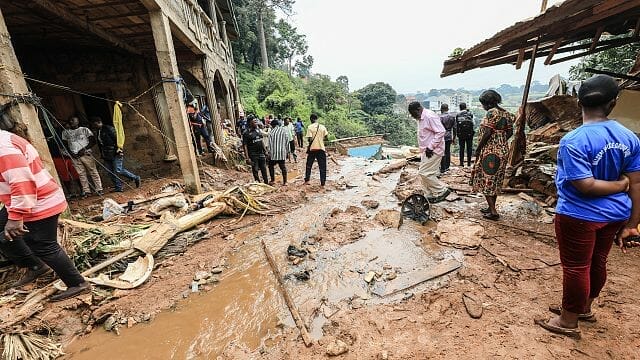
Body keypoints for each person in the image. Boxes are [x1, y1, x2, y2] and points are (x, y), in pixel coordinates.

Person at [536, 75, 640, 338]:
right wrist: (631, 224)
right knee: (598, 261)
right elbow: (637, 183)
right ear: (613, 103)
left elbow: (586, 185)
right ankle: (584, 308)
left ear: (579, 103)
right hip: (616, 214)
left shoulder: (574, 140)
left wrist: (619, 185)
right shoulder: (630, 138)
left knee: (576, 267)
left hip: (579, 215)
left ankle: (568, 321)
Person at [0, 128, 90, 301]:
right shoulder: (5, 139)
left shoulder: (3, 148)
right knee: (6, 231)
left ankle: (77, 283)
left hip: (37, 202)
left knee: (43, 245)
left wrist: (16, 217)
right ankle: (36, 266)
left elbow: (21, 182)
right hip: (24, 200)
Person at [470, 90, 514, 220]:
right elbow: (510, 132)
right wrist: (500, 140)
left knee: (487, 179)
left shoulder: (491, 113)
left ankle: (493, 212)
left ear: (487, 104)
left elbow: (487, 132)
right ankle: (490, 207)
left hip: (490, 151)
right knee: (495, 180)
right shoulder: (506, 113)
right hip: (503, 150)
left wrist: (478, 149)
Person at [408, 102, 450, 203]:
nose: (412, 116)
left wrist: (430, 147)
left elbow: (441, 131)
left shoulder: (429, 116)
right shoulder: (421, 117)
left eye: (413, 113)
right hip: (426, 151)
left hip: (433, 150)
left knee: (424, 173)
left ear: (418, 109)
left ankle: (441, 191)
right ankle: (428, 195)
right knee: (425, 173)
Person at [92, 117, 141, 192]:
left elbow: (118, 139)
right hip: (106, 154)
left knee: (118, 170)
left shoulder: (109, 129)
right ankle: (118, 187)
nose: (94, 126)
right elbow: (100, 144)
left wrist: (120, 149)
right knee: (110, 171)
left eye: (94, 125)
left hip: (115, 152)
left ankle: (135, 177)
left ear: (99, 122)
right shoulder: (98, 131)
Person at [62, 116, 103, 197]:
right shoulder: (65, 132)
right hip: (74, 156)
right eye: (70, 120)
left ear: (78, 121)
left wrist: (84, 149)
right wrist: (71, 153)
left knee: (93, 171)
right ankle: (87, 191)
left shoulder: (84, 129)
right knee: (81, 174)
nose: (71, 121)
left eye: (73, 120)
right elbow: (65, 145)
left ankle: (99, 189)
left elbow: (93, 141)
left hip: (86, 154)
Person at [304, 114, 329, 186]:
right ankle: (323, 182)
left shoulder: (310, 127)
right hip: (321, 149)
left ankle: (307, 180)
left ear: (311, 119)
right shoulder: (323, 127)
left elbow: (309, 139)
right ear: (317, 119)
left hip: (313, 149)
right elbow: (326, 138)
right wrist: (320, 139)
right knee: (322, 166)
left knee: (309, 165)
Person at [243, 117, 269, 183]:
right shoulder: (246, 133)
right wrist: (247, 158)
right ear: (250, 123)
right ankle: (258, 184)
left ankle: (266, 182)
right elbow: (245, 146)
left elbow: (261, 141)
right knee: (255, 170)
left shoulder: (258, 130)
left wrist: (265, 151)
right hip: (253, 154)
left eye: (256, 121)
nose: (256, 123)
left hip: (261, 153)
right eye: (254, 122)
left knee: (264, 169)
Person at [267, 119, 289, 185]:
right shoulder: (284, 131)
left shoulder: (271, 132)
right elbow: (287, 142)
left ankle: (273, 180)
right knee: (283, 167)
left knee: (270, 166)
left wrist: (269, 153)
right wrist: (287, 152)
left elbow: (270, 144)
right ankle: (285, 182)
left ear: (272, 125)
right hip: (282, 152)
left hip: (274, 153)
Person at [439, 104, 457, 174]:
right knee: (447, 151)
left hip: (441, 136)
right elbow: (455, 128)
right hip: (449, 136)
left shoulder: (439, 117)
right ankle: (447, 166)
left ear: (441, 109)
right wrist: (454, 137)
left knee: (441, 151)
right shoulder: (452, 117)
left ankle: (442, 167)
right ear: (448, 109)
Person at [456, 102, 475, 167]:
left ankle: (461, 163)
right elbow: (473, 123)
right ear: (465, 107)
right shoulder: (470, 113)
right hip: (469, 134)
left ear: (460, 108)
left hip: (461, 134)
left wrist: (457, 134)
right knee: (469, 148)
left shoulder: (458, 114)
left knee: (461, 148)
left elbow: (457, 125)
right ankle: (469, 163)